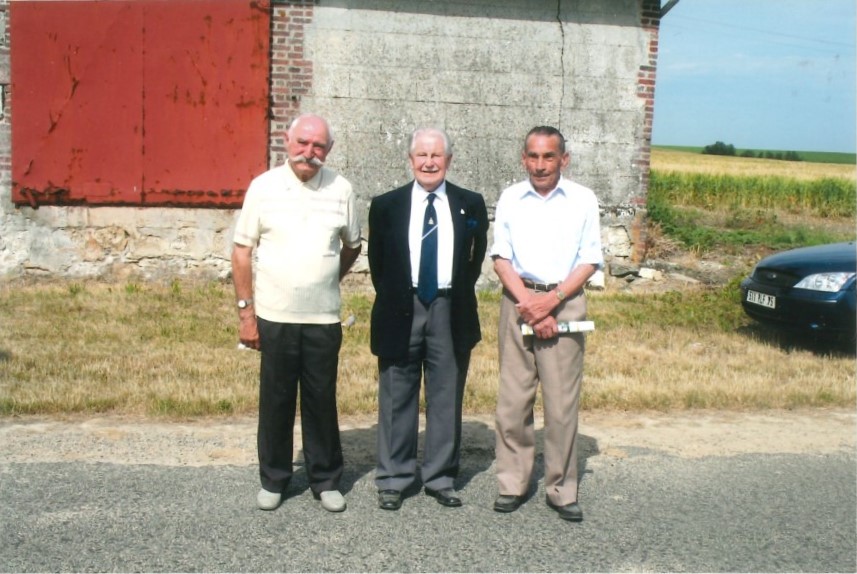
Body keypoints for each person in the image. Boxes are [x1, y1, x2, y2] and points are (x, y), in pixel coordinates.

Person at [231, 113, 362, 513]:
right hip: (274, 316)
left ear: (329, 149)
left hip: (323, 318)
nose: (309, 152)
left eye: (318, 145)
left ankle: (326, 480)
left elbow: (352, 245)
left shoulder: (341, 189)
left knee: (321, 401)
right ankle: (274, 479)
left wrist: (327, 280)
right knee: (276, 401)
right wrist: (246, 314)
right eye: (302, 143)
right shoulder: (264, 187)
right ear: (287, 142)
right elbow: (241, 251)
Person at [367, 127, 488, 511]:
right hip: (402, 306)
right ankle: (394, 478)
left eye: (437, 155)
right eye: (422, 155)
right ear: (410, 159)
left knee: (446, 394)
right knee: (396, 394)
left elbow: (475, 257)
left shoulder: (470, 203)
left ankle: (440, 477)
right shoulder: (386, 205)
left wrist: (451, 290)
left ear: (448, 160)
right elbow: (378, 263)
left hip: (450, 308)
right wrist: (401, 293)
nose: (429, 162)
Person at [490, 125, 603, 522]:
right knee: (512, 402)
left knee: (560, 406)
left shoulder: (583, 199)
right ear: (524, 158)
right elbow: (501, 258)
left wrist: (551, 303)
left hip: (564, 302)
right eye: (533, 157)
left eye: (549, 156)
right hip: (518, 302)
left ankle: (561, 489)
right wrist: (529, 305)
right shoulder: (510, 198)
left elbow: (589, 259)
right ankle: (512, 483)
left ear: (563, 159)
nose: (540, 165)